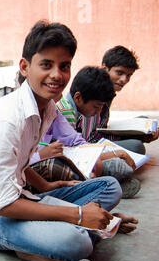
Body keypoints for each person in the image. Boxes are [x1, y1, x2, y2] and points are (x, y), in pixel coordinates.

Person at [0, 20, 138, 261]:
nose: (56, 75)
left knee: (109, 187)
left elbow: (21, 160)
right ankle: (32, 245)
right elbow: (4, 205)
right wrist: (78, 216)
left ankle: (82, 226)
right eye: (46, 65)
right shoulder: (7, 119)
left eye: (64, 66)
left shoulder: (47, 107)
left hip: (21, 196)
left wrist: (45, 186)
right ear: (25, 66)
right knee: (77, 244)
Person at [56, 66, 141, 198]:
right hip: (68, 162)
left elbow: (82, 145)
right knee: (119, 166)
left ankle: (109, 184)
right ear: (78, 97)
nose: (99, 112)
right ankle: (106, 186)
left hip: (82, 154)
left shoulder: (76, 109)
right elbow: (74, 154)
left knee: (123, 161)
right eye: (96, 106)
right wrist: (113, 154)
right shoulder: (66, 113)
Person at [79, 46, 159, 154]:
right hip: (87, 144)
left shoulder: (109, 90)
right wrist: (130, 138)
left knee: (144, 121)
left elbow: (101, 128)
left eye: (128, 75)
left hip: (99, 133)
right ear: (105, 69)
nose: (124, 80)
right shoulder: (95, 92)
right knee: (136, 146)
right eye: (119, 73)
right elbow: (90, 138)